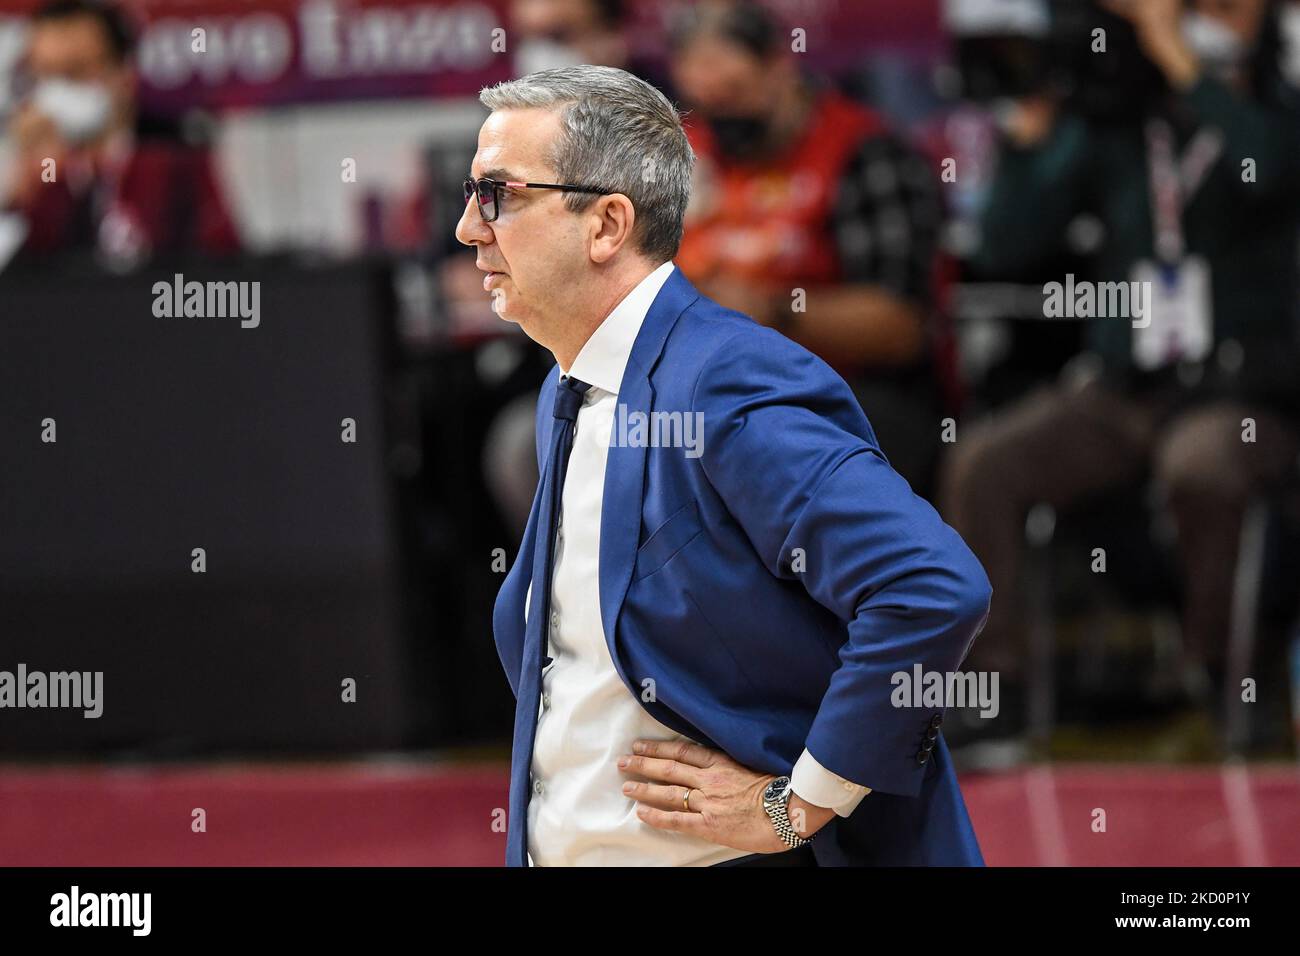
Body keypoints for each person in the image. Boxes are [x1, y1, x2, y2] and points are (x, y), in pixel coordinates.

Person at [455, 64, 992, 866]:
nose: (468, 226)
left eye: (498, 194)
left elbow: (929, 585)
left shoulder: (722, 379)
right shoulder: (568, 388)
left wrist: (797, 805)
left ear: (606, 224)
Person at [940, 0, 1300, 749]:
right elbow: (1006, 243)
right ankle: (997, 689)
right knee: (985, 462)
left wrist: (1179, 57)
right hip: (1125, 387)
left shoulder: (1270, 109)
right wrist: (1029, 134)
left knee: (1201, 465)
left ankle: (1222, 672)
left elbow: (1263, 173)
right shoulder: (1116, 128)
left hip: (1241, 389)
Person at [668, 1, 949, 497]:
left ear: (780, 66)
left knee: (736, 460)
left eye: (734, 93)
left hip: (847, 393)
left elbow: (901, 326)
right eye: (704, 104)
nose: (720, 119)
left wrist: (772, 310)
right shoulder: (688, 156)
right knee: (564, 439)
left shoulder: (863, 152)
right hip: (708, 391)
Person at [2, 0, 239, 265]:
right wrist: (29, 188)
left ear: (123, 73)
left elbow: (225, 270)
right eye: (44, 75)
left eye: (75, 72)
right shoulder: (40, 169)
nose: (56, 92)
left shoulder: (175, 158)